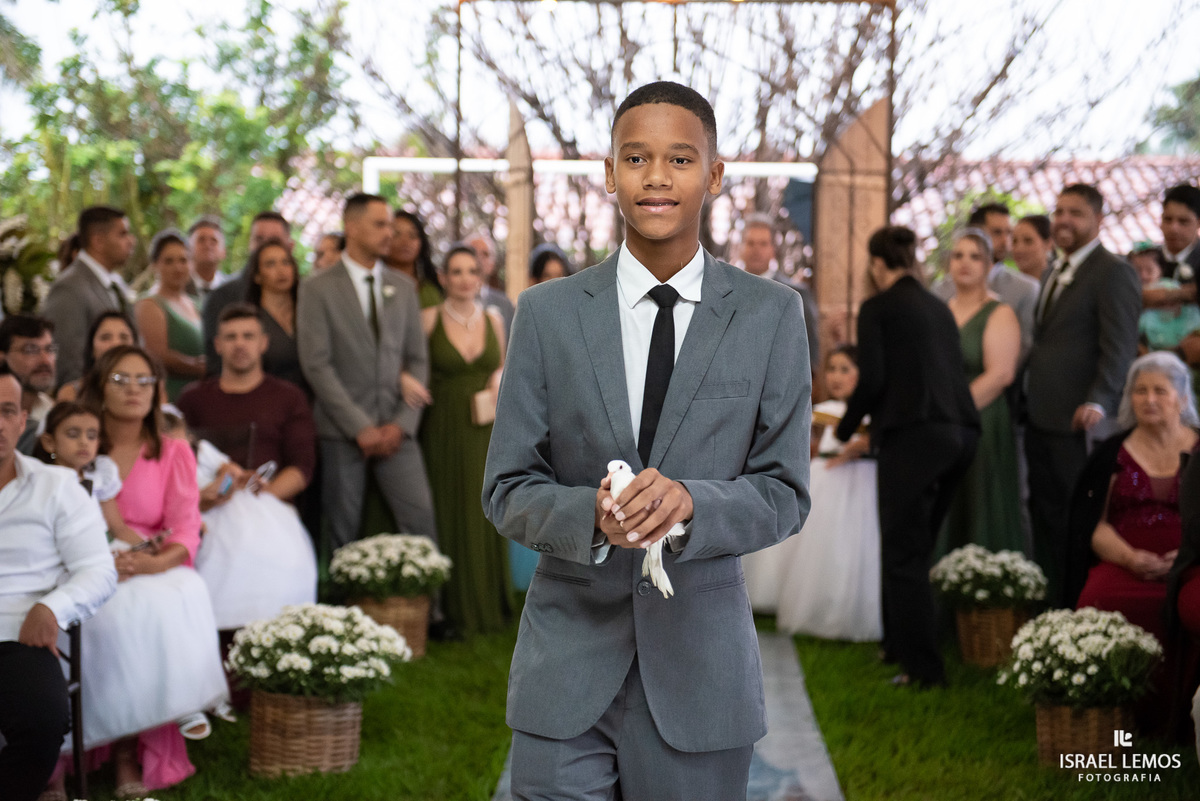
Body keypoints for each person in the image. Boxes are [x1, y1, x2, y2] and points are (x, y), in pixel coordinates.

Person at [483, 81, 811, 798]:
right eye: (636, 157)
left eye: (680, 159)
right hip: (564, 669)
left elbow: (785, 493)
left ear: (715, 175)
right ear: (609, 173)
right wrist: (590, 518)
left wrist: (694, 503)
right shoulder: (545, 314)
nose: (656, 176)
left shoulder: (772, 316)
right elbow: (507, 487)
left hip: (702, 671)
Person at [76, 345, 227, 795]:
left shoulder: (174, 450)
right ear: (100, 388)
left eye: (145, 381)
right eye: (121, 380)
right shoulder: (79, 441)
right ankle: (63, 758)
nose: (135, 390)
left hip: (149, 557)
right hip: (85, 555)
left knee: (147, 609)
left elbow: (185, 527)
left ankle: (128, 751)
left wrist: (150, 564)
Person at [836, 225, 980, 688]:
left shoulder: (878, 306)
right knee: (915, 550)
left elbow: (873, 378)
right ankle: (898, 644)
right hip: (961, 433)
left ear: (877, 265)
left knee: (904, 555)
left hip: (915, 436)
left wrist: (843, 426)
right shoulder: (939, 307)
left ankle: (923, 671)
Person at [298, 194, 437, 553]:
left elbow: (418, 360)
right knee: (342, 532)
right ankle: (342, 608)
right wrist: (359, 427)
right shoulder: (317, 287)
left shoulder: (404, 288)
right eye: (380, 224)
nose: (389, 232)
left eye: (389, 224)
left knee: (421, 522)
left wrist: (401, 424)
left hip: (398, 429)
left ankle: (429, 609)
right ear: (351, 227)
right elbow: (317, 363)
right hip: (343, 433)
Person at [0, 366, 115, 801]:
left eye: (7, 411)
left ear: (23, 418)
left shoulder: (58, 486)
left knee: (43, 721)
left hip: (18, 628)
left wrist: (53, 608)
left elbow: (98, 569)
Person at [1067, 352, 1198, 734]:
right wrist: (1129, 557)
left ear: (1184, 398)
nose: (1149, 399)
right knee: (1098, 598)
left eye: (1161, 390)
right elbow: (1094, 524)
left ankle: (1180, 719)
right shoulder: (1111, 452)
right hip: (1125, 561)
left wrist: (1188, 554)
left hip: (1191, 561)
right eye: (1140, 390)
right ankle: (1107, 719)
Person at [1024, 183, 1142, 608]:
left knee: (1080, 522)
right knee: (1049, 520)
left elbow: (1121, 345)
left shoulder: (1114, 272)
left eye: (1075, 212)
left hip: (1079, 423)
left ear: (1097, 219)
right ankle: (1054, 605)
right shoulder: (1053, 268)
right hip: (1040, 417)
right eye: (1058, 211)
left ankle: (1083, 610)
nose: (1063, 220)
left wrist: (1099, 400)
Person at [419, 245, 511, 635]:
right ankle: (450, 608)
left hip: (486, 426)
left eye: (471, 271)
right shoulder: (428, 318)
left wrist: (496, 377)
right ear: (443, 278)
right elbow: (410, 363)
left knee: (485, 503)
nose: (464, 278)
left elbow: (506, 363)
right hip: (443, 425)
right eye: (455, 271)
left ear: (481, 276)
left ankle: (489, 603)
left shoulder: (494, 319)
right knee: (448, 506)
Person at [764, 345, 882, 641]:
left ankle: (853, 615)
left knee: (855, 547)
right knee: (820, 547)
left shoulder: (869, 414)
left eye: (845, 369)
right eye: (831, 369)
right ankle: (818, 608)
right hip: (827, 482)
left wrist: (857, 448)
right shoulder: (824, 412)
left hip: (860, 484)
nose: (836, 377)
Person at [936, 229, 1024, 556]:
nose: (965, 263)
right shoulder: (941, 310)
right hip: (943, 421)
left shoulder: (1000, 313)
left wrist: (950, 412)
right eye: (958, 255)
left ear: (989, 265)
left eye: (974, 256)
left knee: (978, 503)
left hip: (981, 420)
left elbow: (1001, 374)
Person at [42, 206, 136, 385]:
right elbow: (67, 361)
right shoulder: (69, 288)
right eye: (122, 234)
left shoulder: (115, 284)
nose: (131, 241)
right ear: (98, 241)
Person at [932, 202, 1039, 357]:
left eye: (1008, 233)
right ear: (974, 233)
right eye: (997, 232)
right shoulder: (942, 289)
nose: (1005, 240)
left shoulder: (1025, 289)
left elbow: (1024, 348)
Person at [202, 211, 293, 375]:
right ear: (250, 244)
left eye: (274, 240)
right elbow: (216, 366)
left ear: (290, 246)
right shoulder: (222, 298)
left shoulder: (305, 296)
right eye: (259, 239)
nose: (265, 246)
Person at [737, 214, 821, 377]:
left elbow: (809, 347)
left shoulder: (795, 292)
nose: (756, 250)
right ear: (741, 247)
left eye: (763, 244)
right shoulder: (726, 290)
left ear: (773, 249)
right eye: (750, 243)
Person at [135, 229, 205, 402]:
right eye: (169, 261)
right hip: (172, 396)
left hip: (202, 395)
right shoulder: (149, 305)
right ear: (155, 265)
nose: (178, 267)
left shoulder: (198, 304)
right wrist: (198, 366)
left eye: (183, 260)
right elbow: (156, 355)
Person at [242, 240, 307, 392]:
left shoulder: (309, 311)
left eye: (286, 262)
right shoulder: (251, 319)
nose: (281, 270)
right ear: (257, 276)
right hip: (268, 403)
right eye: (270, 264)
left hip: (315, 405)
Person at [0, 315, 57, 454]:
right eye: (30, 350)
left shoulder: (51, 411)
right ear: (2, 357)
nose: (45, 361)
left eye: (49, 349)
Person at [55, 311, 138, 403]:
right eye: (106, 337)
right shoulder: (71, 393)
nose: (116, 344)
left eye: (124, 337)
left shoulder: (152, 389)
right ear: (92, 348)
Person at [1134, 241, 1200, 353]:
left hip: (1177, 337)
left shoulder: (1169, 286)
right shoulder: (1131, 290)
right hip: (1149, 342)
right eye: (1137, 271)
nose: (1143, 276)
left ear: (1160, 271)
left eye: (1149, 271)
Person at [1144, 184, 1200, 310]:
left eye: (1183, 221)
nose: (1173, 228)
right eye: (1168, 220)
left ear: (1198, 222)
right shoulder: (1144, 258)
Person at [385, 210, 442, 308]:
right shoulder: (373, 285)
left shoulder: (431, 290)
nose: (405, 242)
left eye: (412, 235)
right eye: (396, 234)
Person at [466, 232, 516, 337]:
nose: (478, 258)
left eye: (485, 254)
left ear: (492, 264)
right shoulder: (445, 300)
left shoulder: (505, 304)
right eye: (473, 252)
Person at [186, 216, 228, 307]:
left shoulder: (233, 289)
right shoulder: (177, 287)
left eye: (214, 241)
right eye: (201, 240)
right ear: (188, 249)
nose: (208, 245)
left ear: (224, 251)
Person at [1011, 213, 1055, 283]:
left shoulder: (1057, 284)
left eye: (1028, 241)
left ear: (1048, 244)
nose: (1019, 249)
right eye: (1014, 241)